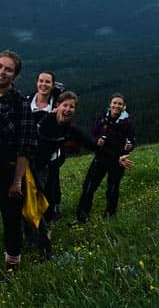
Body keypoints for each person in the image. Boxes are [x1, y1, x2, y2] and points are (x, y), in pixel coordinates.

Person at [31, 92, 133, 255]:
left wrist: (117, 158)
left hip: (45, 168)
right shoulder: (42, 119)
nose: (68, 109)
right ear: (57, 106)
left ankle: (41, 240)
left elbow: (93, 146)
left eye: (71, 107)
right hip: (28, 166)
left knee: (46, 201)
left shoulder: (71, 129)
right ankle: (32, 238)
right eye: (65, 105)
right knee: (28, 202)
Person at [0, 50, 37, 274]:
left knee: (11, 220)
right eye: (0, 66)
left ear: (15, 76)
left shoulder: (20, 103)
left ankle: (12, 267)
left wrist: (17, 181)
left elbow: (25, 145)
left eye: (8, 70)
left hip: (8, 170)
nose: (2, 72)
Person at [75, 93, 135, 222]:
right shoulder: (101, 118)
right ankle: (82, 217)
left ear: (124, 107)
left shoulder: (127, 122)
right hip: (100, 158)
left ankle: (110, 216)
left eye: (120, 104)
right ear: (110, 104)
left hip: (118, 160)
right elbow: (92, 135)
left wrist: (130, 146)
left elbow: (131, 140)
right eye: (114, 103)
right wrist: (97, 141)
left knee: (112, 188)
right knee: (89, 187)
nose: (116, 106)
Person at [25, 71, 66, 222]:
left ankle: (51, 213)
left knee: (52, 183)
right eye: (41, 81)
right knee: (32, 184)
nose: (43, 84)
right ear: (36, 83)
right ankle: (35, 215)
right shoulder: (27, 102)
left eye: (47, 82)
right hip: (31, 153)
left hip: (52, 154)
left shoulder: (57, 105)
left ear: (53, 85)